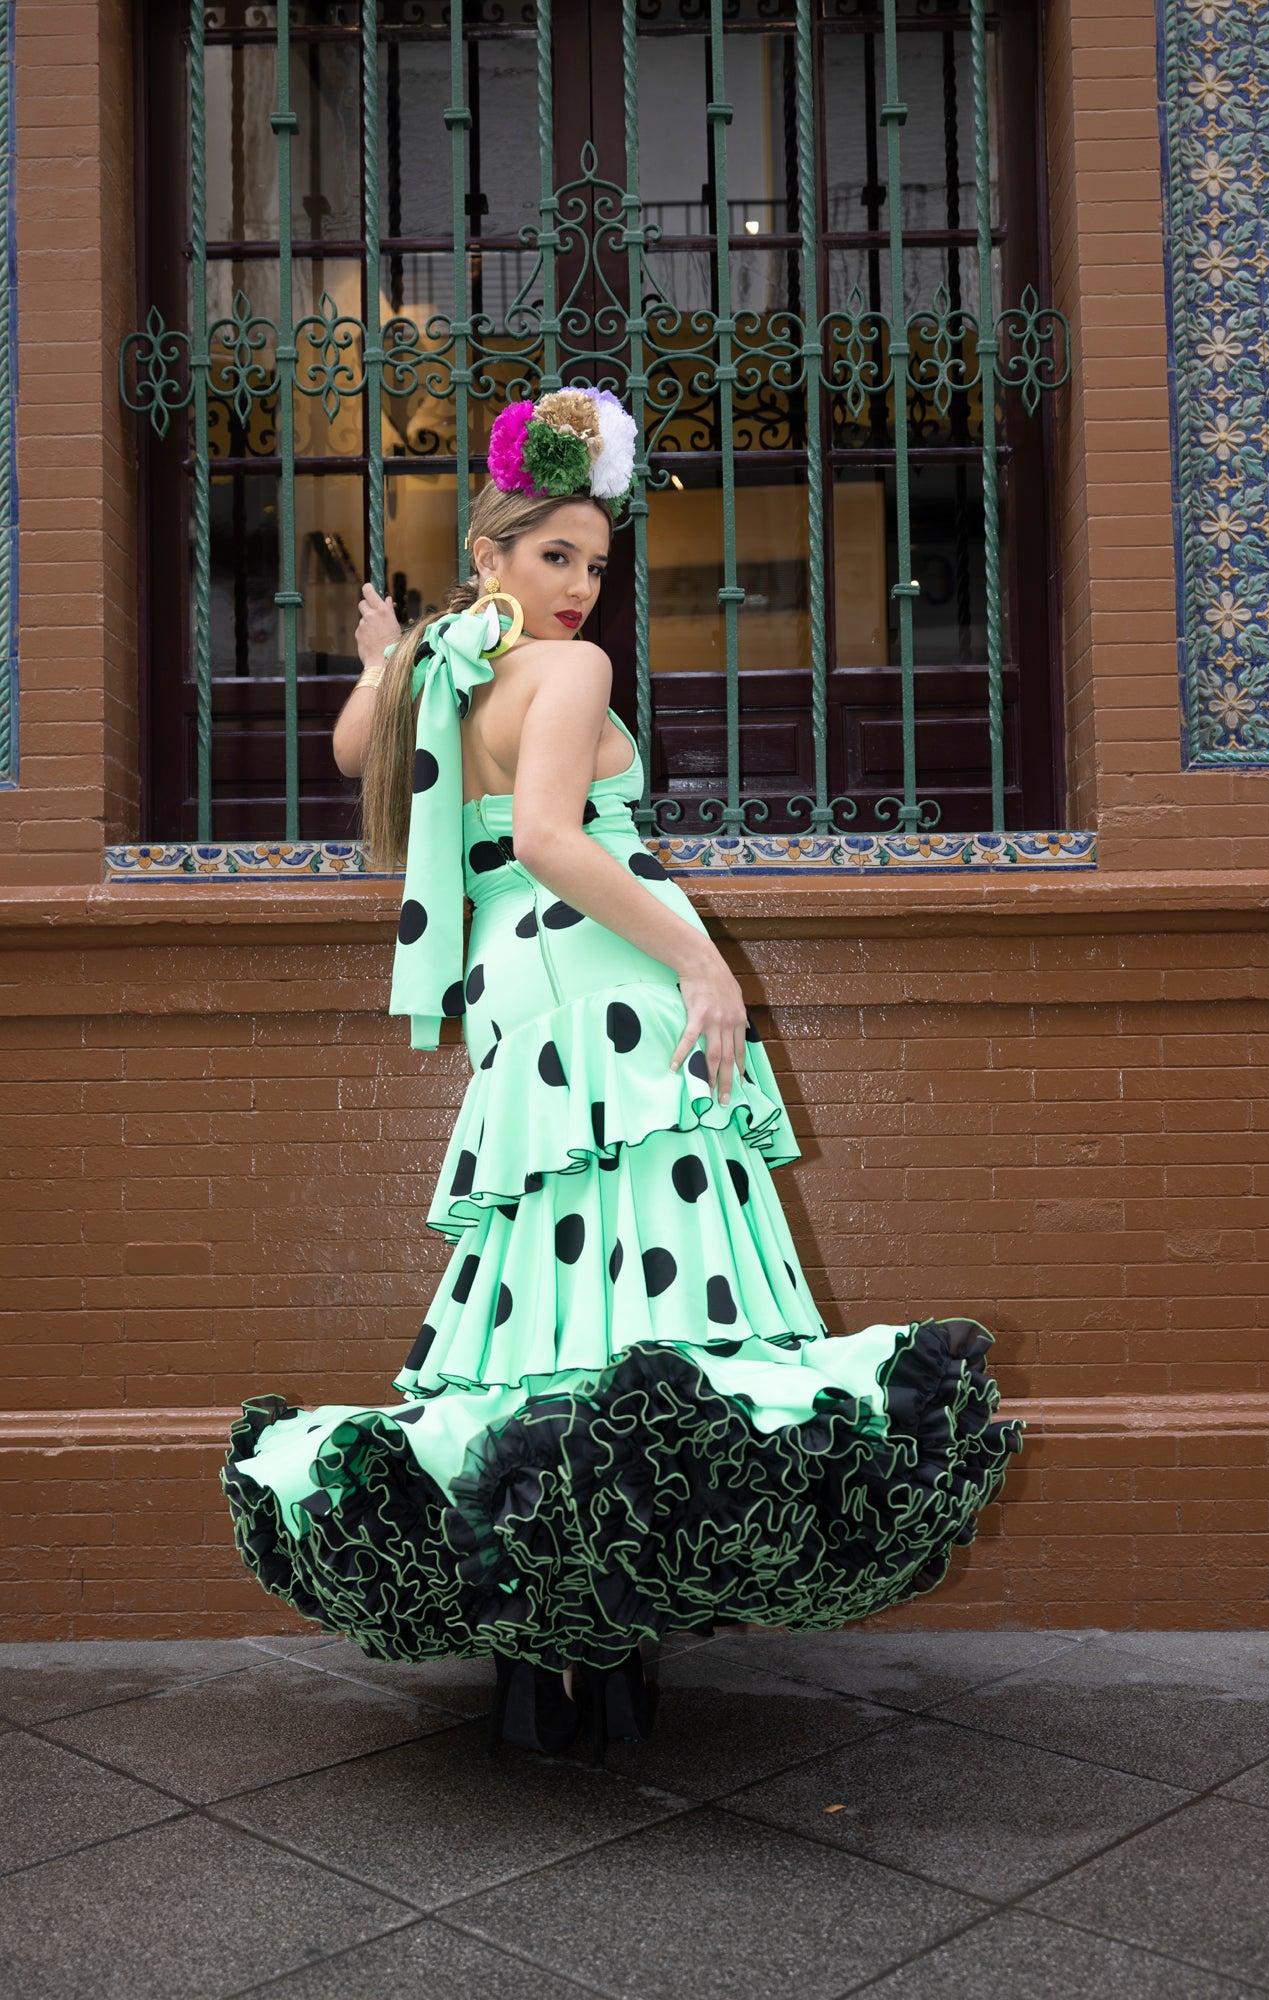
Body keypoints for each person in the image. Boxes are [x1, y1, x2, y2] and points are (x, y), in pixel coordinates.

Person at [220, 385, 1023, 1764]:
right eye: (555, 557)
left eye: (595, 564)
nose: (583, 587)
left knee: (546, 1296)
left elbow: (357, 751)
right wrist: (701, 966)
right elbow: (547, 834)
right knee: (649, 1284)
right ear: (492, 552)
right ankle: (621, 1658)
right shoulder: (561, 673)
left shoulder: (448, 662)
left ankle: (542, 1666)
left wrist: (380, 651)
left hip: (515, 993)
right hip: (596, 976)